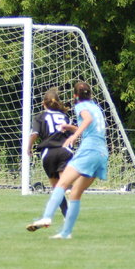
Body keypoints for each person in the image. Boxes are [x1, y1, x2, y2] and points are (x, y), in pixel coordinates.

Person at [26, 81, 108, 239]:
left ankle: (47, 217)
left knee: (61, 184)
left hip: (89, 149)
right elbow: (91, 122)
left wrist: (74, 136)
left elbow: (87, 120)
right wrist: (71, 129)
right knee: (75, 193)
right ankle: (65, 233)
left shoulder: (80, 106)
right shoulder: (96, 107)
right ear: (90, 94)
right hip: (102, 153)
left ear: (75, 96)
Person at [26, 88, 74, 217]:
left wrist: (29, 147)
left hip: (48, 154)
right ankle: (69, 188)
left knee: (56, 187)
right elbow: (72, 134)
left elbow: (34, 134)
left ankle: (66, 213)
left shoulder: (39, 117)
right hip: (64, 151)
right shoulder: (65, 117)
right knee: (65, 180)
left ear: (43, 103)